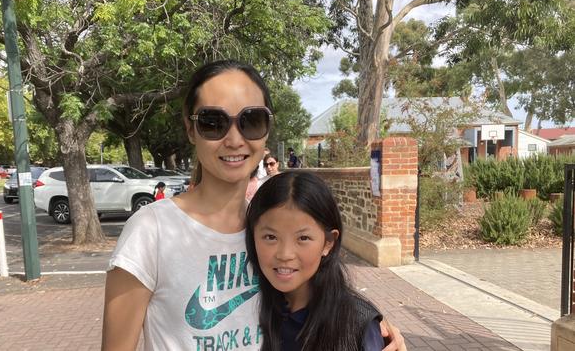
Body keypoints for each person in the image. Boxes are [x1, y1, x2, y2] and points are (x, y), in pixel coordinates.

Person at [102, 60, 406, 350]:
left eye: (251, 120)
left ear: (267, 128)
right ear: (190, 128)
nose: (234, 139)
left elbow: (314, 295)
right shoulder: (151, 230)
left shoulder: (268, 227)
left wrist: (369, 326)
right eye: (213, 122)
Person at [246, 171, 385, 350]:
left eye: (303, 238)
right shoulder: (246, 309)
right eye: (271, 237)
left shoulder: (357, 326)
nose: (285, 254)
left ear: (328, 243)